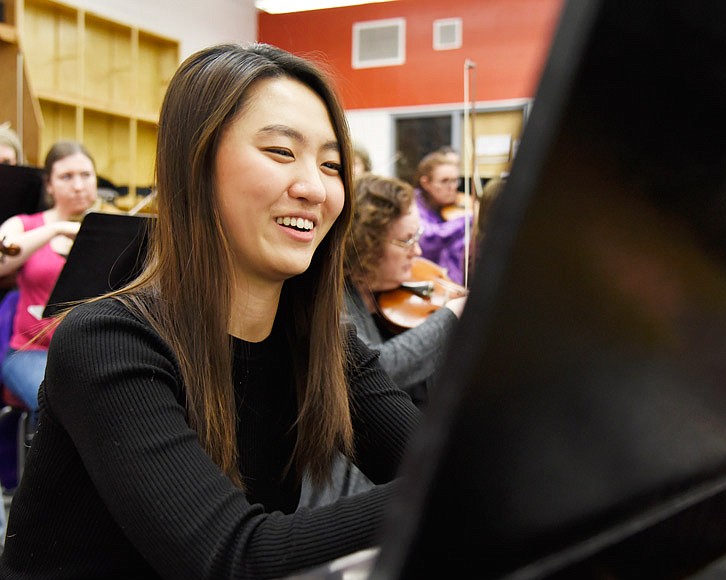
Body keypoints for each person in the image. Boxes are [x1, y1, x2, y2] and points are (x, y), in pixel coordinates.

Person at [0, 42, 420, 579]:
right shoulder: (105, 342)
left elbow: (426, 463)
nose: (315, 188)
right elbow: (234, 558)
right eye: (281, 152)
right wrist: (447, 485)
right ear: (197, 166)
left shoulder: (324, 347)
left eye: (332, 164)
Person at [345, 173, 466, 407]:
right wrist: (450, 315)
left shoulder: (391, 283)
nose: (418, 251)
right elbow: (380, 367)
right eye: (406, 240)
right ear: (366, 245)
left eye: (417, 237)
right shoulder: (337, 301)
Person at [0, 140, 96, 414]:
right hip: (31, 352)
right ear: (49, 185)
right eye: (66, 177)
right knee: (59, 403)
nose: (78, 185)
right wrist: (56, 230)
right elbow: (1, 258)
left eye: (85, 175)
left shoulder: (110, 228)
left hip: (89, 353)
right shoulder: (25, 225)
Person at [414, 150, 472, 285]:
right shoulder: (413, 205)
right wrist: (469, 217)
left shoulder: (455, 206)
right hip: (424, 282)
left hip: (453, 284)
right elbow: (430, 238)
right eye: (444, 181)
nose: (452, 187)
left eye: (455, 180)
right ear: (426, 183)